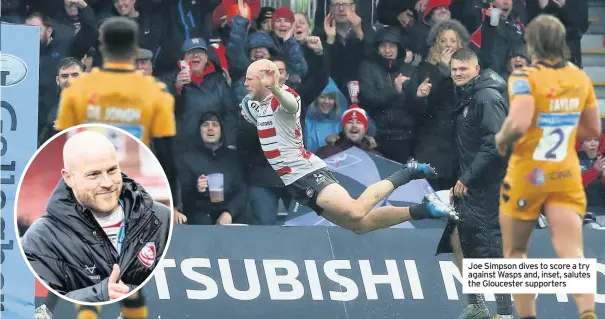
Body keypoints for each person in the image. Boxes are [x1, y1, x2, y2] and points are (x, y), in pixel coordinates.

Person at [242, 59, 458, 234]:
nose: (245, 84)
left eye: (249, 79)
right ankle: (424, 209)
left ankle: (407, 172)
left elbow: (289, 105)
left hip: (306, 172)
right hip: (293, 181)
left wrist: (275, 87)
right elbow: (251, 111)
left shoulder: (286, 97)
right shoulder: (253, 104)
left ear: (264, 80)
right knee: (359, 226)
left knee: (355, 211)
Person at [495, 14, 602, 319]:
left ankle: (527, 315)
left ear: (531, 44)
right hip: (566, 174)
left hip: (528, 175)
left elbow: (521, 119)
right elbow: (593, 129)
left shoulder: (522, 77)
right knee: (571, 250)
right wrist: (564, 129)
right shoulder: (580, 78)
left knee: (515, 251)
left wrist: (502, 138)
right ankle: (586, 312)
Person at [53, 16, 182, 224]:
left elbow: (61, 147)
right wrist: (172, 202)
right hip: (135, 191)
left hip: (87, 189)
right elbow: (167, 155)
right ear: (133, 51)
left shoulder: (77, 91)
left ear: (103, 48)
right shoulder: (156, 93)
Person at [21, 131, 172, 303]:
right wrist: (100, 295)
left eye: (112, 170)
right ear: (69, 178)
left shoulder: (160, 218)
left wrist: (129, 293)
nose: (107, 183)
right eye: (94, 174)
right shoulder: (40, 240)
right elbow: (41, 308)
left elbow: (176, 292)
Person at [437, 48, 513, 319]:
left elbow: (495, 143)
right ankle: (476, 305)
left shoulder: (487, 97)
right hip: (470, 182)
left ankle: (505, 313)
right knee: (465, 240)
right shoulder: (467, 95)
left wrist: (467, 178)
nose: (457, 73)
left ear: (477, 69)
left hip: (490, 184)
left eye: (463, 69)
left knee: (492, 245)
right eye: (454, 69)